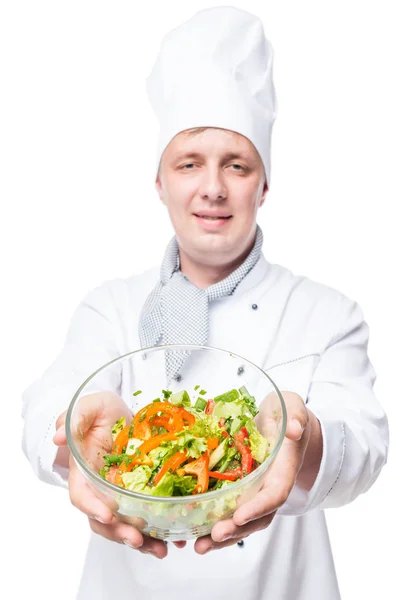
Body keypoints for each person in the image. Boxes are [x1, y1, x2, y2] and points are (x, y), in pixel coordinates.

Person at [21, 7, 388, 600]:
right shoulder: (108, 307)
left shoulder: (327, 313)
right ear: (160, 182)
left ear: (263, 184)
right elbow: (45, 408)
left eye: (236, 165)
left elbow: (365, 447)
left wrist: (302, 435)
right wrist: (73, 429)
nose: (213, 187)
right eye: (189, 163)